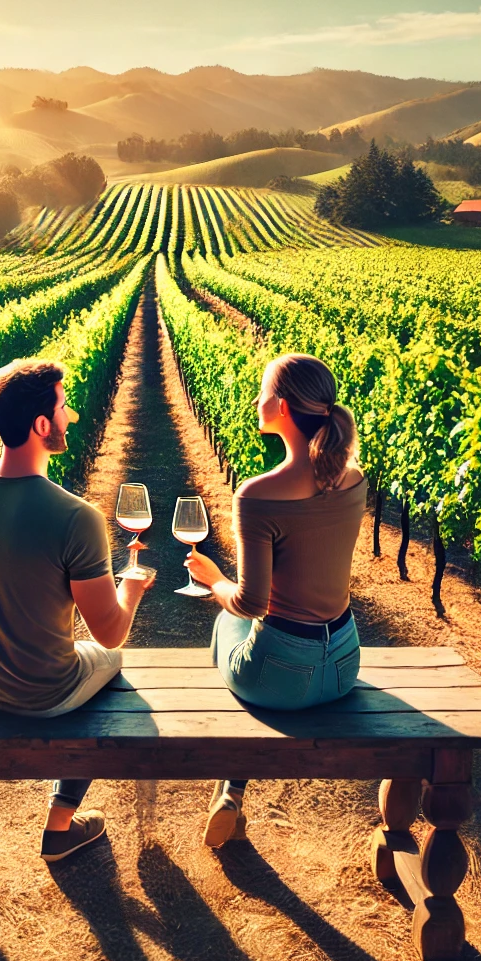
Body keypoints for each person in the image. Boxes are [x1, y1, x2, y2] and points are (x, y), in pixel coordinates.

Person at [0, 356, 155, 863]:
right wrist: (132, 587)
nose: (71, 415)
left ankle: (63, 817)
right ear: (41, 425)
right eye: (63, 407)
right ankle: (61, 821)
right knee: (115, 668)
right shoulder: (76, 517)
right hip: (44, 693)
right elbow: (109, 634)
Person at [183, 353, 367, 849]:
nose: (256, 400)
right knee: (247, 632)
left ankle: (231, 785)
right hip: (344, 663)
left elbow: (250, 602)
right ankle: (232, 789)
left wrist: (213, 578)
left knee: (225, 627)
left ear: (282, 407)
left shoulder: (258, 495)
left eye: (263, 392)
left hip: (283, 678)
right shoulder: (354, 479)